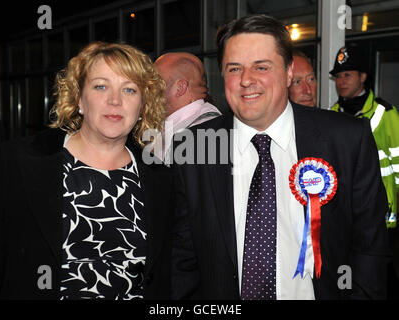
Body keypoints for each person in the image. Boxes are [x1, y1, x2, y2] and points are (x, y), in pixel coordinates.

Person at [171, 14, 390, 300]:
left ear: (288, 72)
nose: (246, 80)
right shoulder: (194, 149)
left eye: (261, 67)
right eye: (234, 68)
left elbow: (369, 249)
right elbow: (183, 261)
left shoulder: (347, 139)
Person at [0, 41, 174, 299]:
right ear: (79, 98)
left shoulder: (163, 180)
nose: (115, 101)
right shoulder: (16, 163)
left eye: (130, 90)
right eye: (101, 86)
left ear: (143, 105)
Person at [330, 45, 399, 229]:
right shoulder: (332, 114)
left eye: (347, 75)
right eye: (338, 76)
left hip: (381, 215)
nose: (341, 81)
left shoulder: (385, 113)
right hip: (345, 217)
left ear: (362, 77)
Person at [153, 52, 221, 162]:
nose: (147, 91)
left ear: (180, 88)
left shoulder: (205, 134)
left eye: (155, 84)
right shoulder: (187, 126)